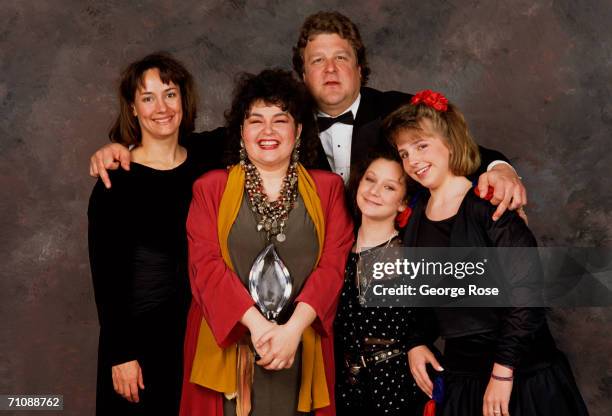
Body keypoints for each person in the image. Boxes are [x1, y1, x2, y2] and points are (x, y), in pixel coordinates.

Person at [88, 11, 526, 222]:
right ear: (303, 73)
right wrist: (125, 148)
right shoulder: (281, 122)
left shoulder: (397, 111)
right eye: (318, 61)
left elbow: (463, 149)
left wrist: (501, 168)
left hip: (395, 274)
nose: (331, 70)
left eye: (341, 58)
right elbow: (200, 146)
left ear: (360, 67)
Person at [384, 90, 588, 416]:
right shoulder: (416, 216)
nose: (413, 161)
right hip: (463, 379)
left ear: (450, 142)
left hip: (519, 375)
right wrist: (416, 341)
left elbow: (528, 294)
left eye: (421, 146)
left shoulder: (488, 204)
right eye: (404, 153)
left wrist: (503, 371)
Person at [179, 69, 354, 416]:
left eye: (280, 120)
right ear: (241, 132)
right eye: (256, 120)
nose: (268, 131)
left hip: (301, 346)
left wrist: (291, 332)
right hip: (227, 350)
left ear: (299, 129)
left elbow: (333, 268)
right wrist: (259, 328)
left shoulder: (328, 189)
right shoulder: (210, 189)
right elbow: (206, 269)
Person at [88, 53, 217, 414]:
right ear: (132, 108)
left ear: (184, 100)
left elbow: (262, 123)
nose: (161, 107)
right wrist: (121, 353)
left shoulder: (209, 158)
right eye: (148, 98)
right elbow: (107, 278)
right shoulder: (116, 182)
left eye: (170, 94)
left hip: (200, 334)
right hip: (138, 343)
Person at [334, 145, 435, 415]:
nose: (374, 191)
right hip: (345, 385)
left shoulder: (411, 253)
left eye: (389, 187)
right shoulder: (337, 249)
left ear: (403, 202)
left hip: (397, 383)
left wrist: (418, 342)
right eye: (370, 179)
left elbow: (434, 317)